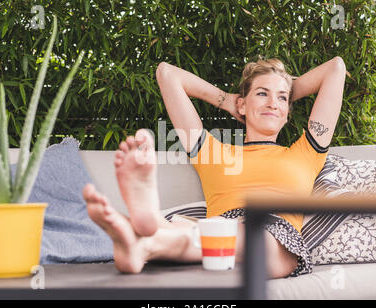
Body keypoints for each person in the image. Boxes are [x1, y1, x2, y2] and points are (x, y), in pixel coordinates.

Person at [83, 56, 346, 278]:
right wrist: (227, 100)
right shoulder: (213, 151)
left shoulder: (306, 152)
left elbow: (336, 67)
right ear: (242, 103)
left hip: (274, 236)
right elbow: (167, 73)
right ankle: (143, 245)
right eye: (262, 94)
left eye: (281, 99)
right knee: (197, 230)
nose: (272, 103)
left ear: (288, 110)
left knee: (251, 239)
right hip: (219, 226)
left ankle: (150, 232)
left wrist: (284, 86)